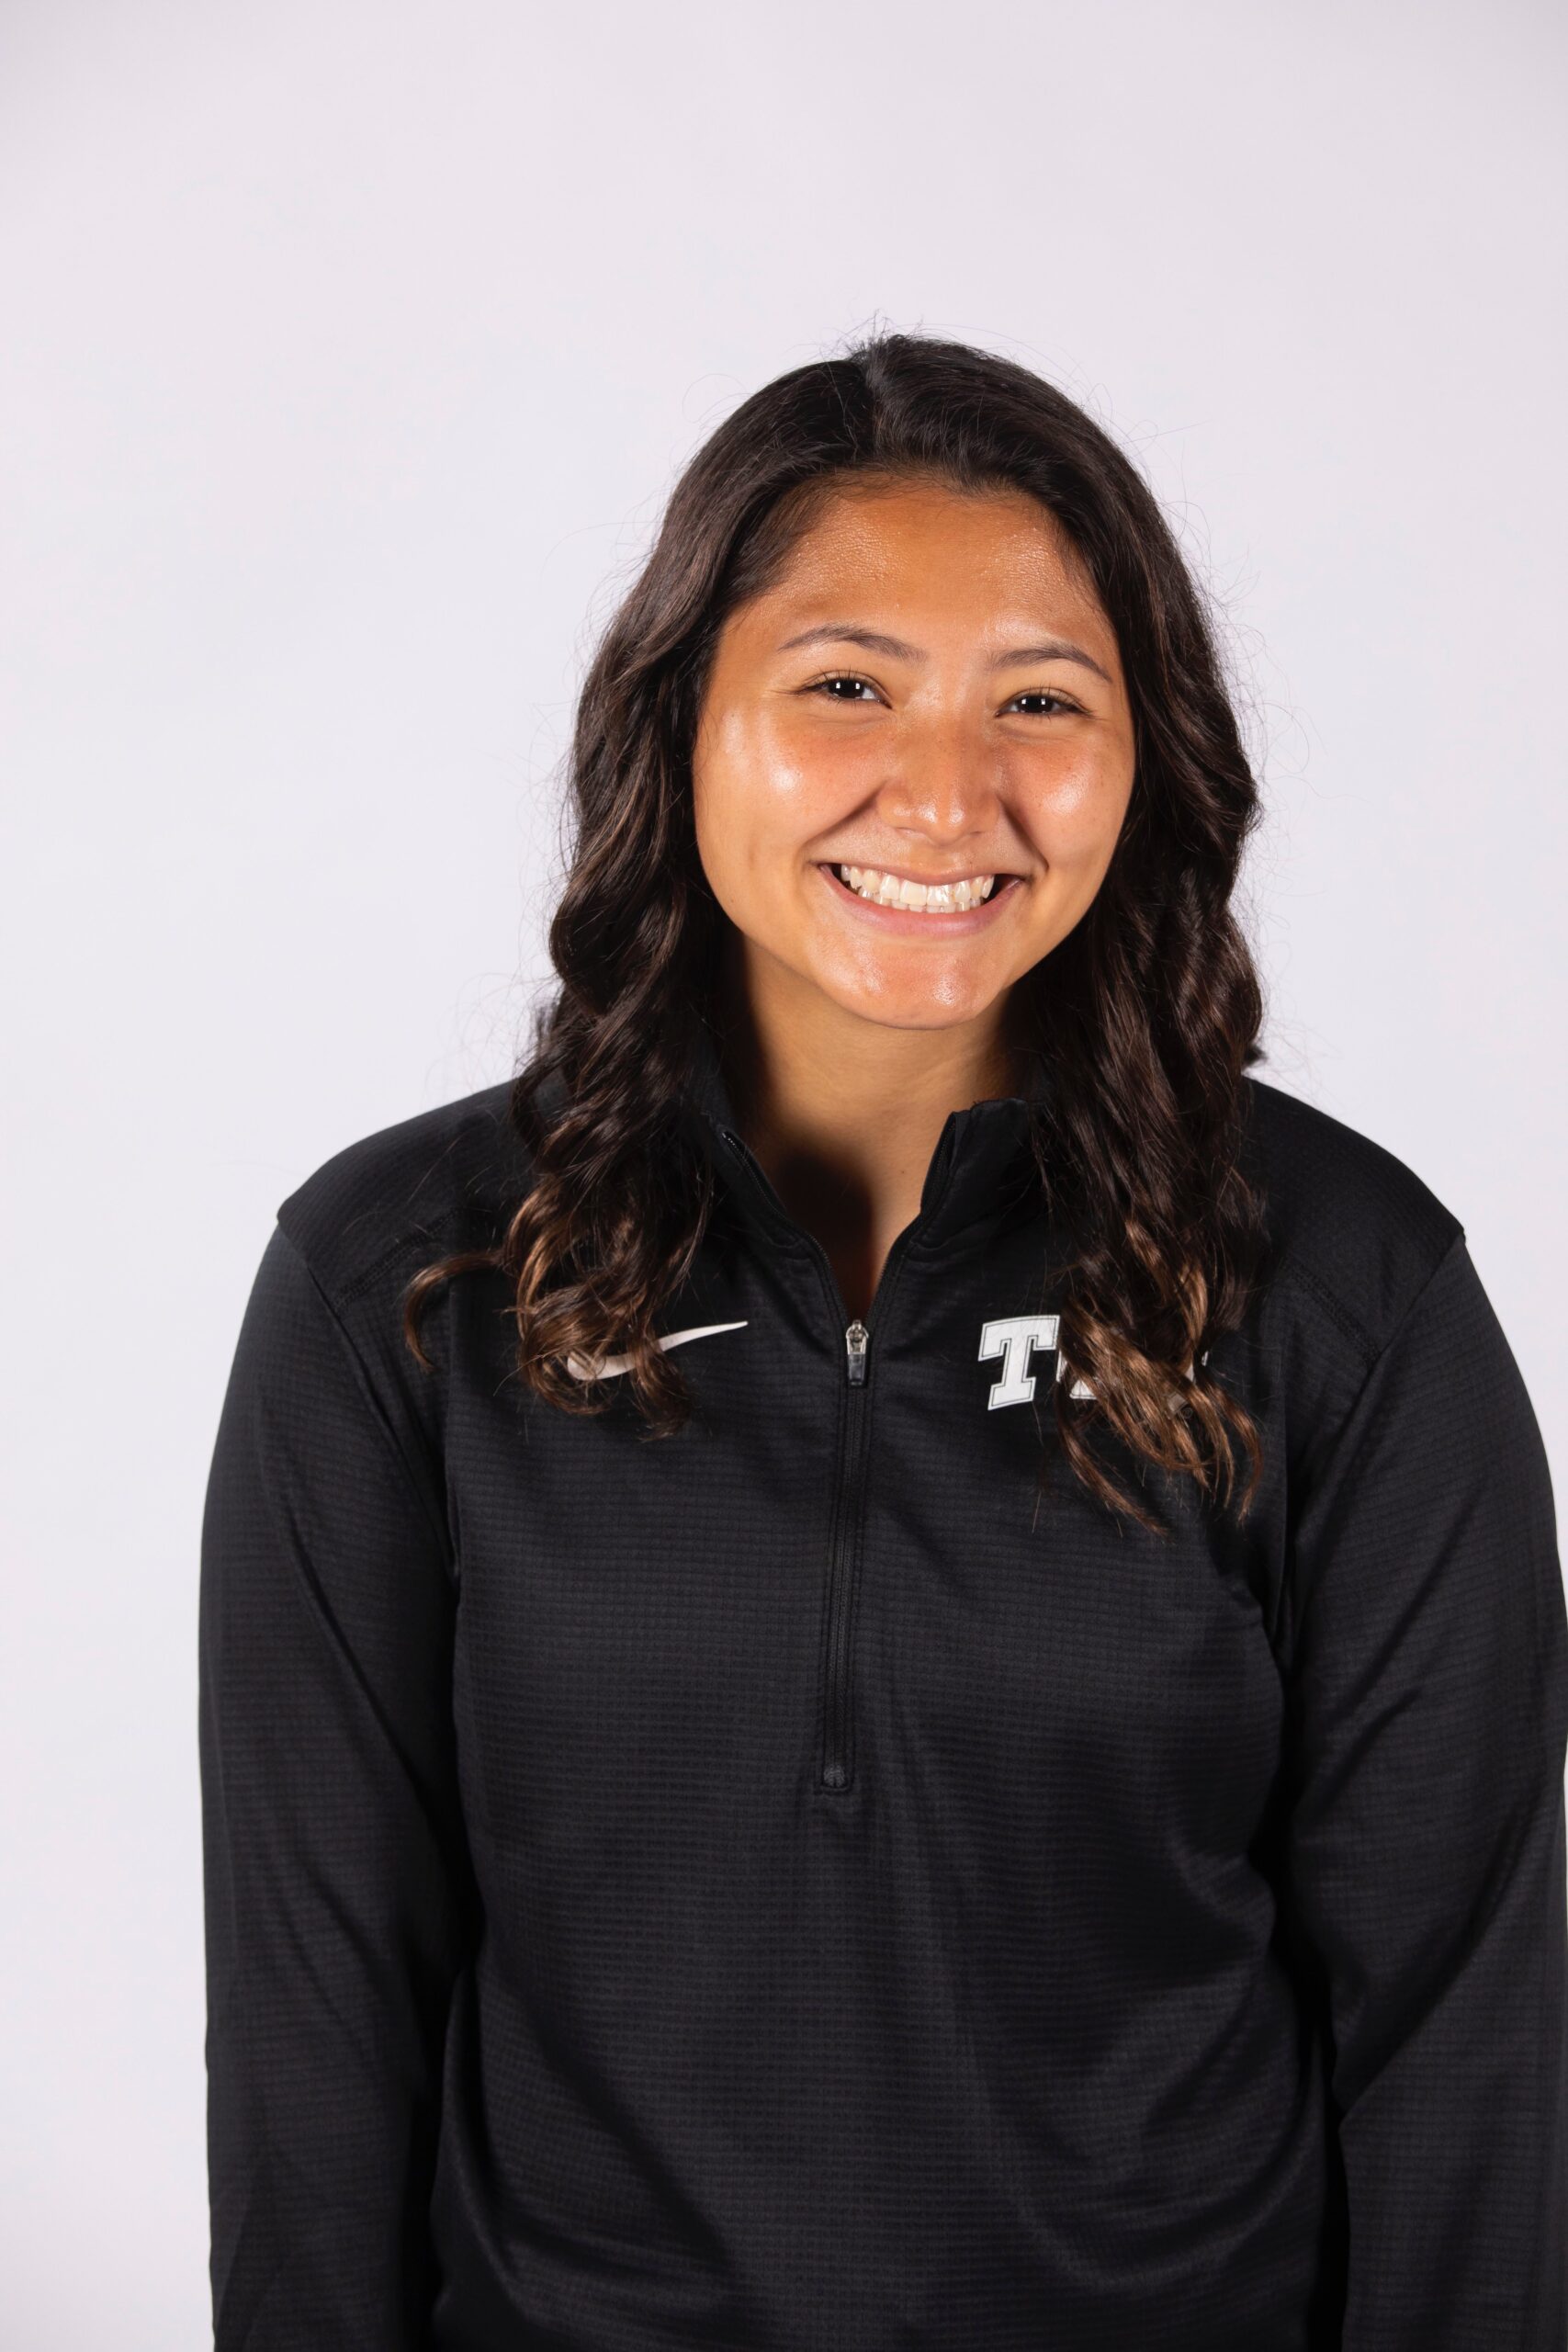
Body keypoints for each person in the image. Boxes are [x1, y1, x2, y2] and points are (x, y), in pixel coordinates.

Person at [197, 332, 1568, 2350]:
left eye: (1039, 700)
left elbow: (1459, 2047)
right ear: (681, 724)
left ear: (1144, 756)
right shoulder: (401, 1280)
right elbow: (317, 2034)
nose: (944, 794)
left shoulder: (1339, 1287)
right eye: (842, 683)